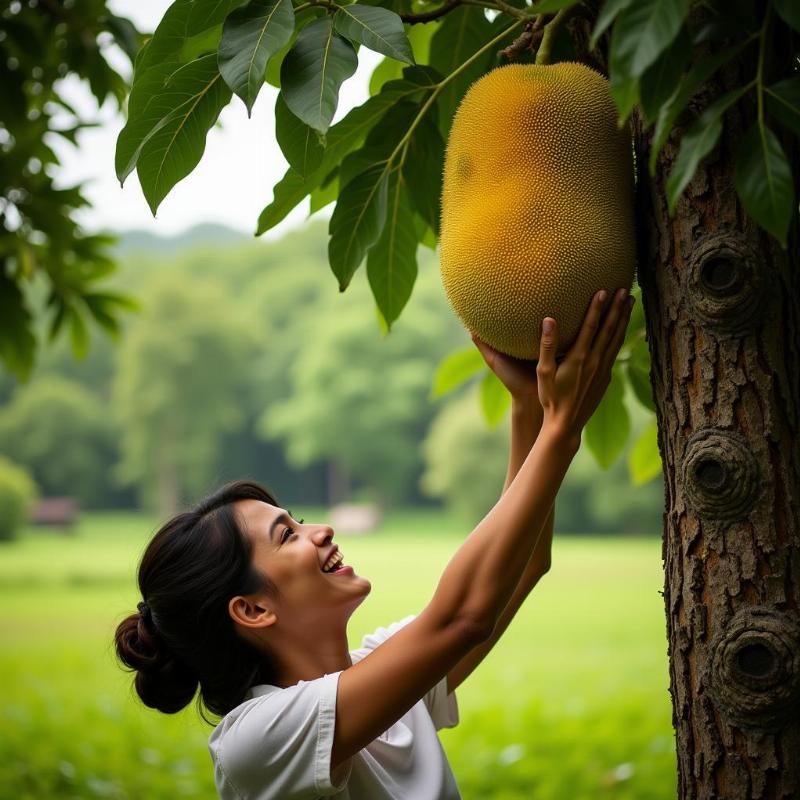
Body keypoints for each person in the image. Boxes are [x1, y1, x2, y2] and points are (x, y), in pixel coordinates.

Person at [115, 287, 635, 799]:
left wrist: (529, 409)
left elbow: (521, 567)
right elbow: (463, 617)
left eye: (297, 520)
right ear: (252, 609)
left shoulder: (380, 670)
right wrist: (561, 430)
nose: (322, 531)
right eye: (287, 535)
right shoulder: (254, 741)